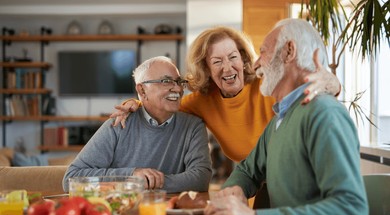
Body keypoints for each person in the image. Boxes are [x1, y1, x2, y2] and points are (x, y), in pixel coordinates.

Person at [203, 18, 369, 215]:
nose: (257, 63)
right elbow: (248, 171)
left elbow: (351, 210)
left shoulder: (324, 114)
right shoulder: (281, 118)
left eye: (263, 52)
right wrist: (235, 191)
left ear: (289, 51)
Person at [110, 26, 340, 164]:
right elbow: (161, 104)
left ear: (243, 59)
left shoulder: (269, 84)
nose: (227, 68)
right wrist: (137, 103)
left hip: (294, 182)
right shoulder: (202, 101)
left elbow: (315, 92)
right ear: (207, 69)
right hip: (251, 191)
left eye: (232, 57)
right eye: (217, 61)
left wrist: (333, 84)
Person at [62, 56, 212, 193]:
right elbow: (71, 179)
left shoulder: (193, 127)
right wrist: (131, 176)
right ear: (142, 90)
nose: (178, 89)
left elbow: (200, 179)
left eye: (179, 82)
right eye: (166, 81)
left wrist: (144, 183)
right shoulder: (118, 124)